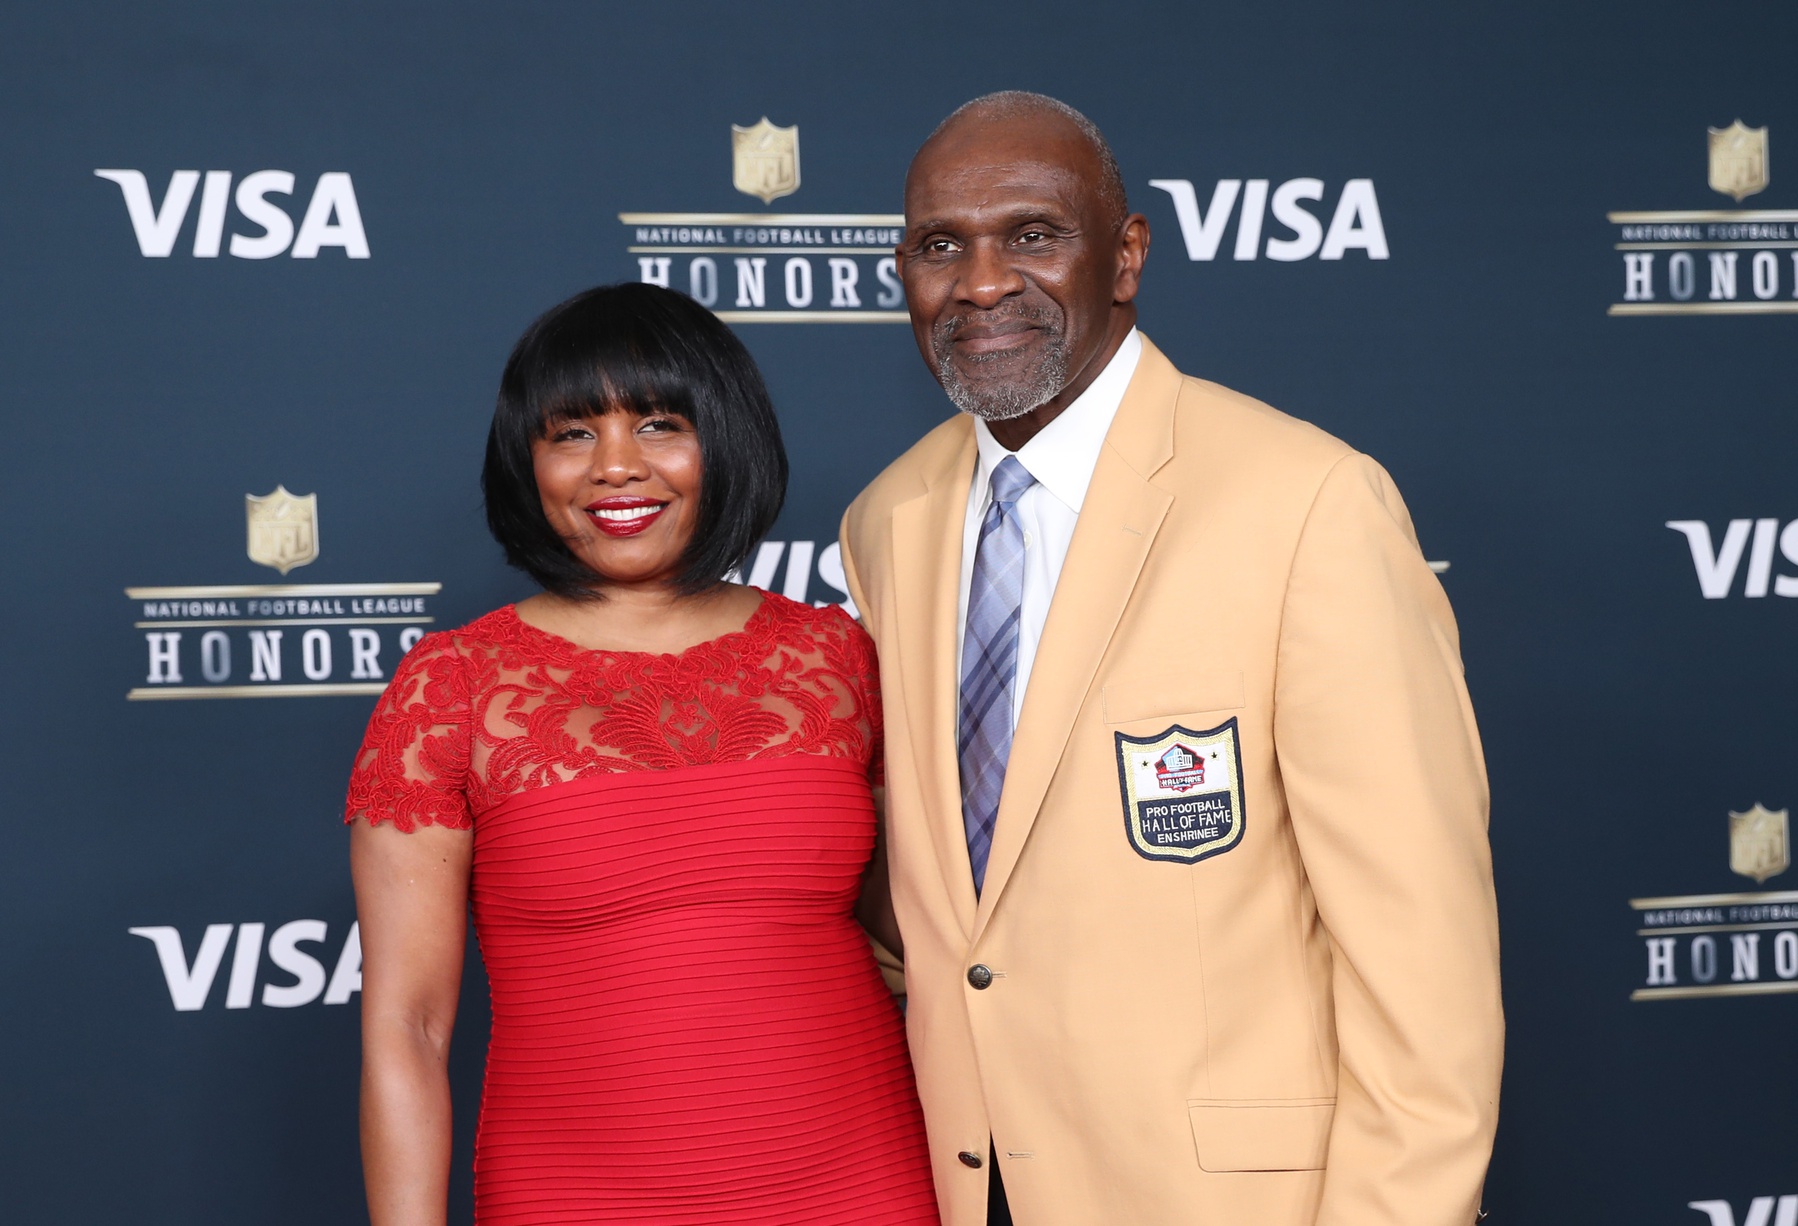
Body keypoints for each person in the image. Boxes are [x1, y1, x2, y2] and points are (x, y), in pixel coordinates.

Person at [838, 92, 1502, 1226]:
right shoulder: (887, 518)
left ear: (1128, 254)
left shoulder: (1308, 502)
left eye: (1033, 235)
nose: (982, 281)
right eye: (940, 245)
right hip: (968, 1185)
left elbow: (1422, 968)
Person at [347, 282, 939, 1226]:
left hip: (862, 1186)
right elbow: (408, 1031)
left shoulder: (837, 657)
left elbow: (938, 932)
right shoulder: (451, 687)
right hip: (577, 1198)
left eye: (662, 424)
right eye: (572, 434)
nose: (615, 469)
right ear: (526, 461)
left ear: (726, 440)